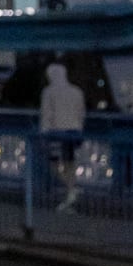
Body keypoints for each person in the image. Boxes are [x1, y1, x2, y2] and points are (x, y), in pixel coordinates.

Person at [38, 58, 86, 211]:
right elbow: (82, 113)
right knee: (70, 163)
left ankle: (70, 190)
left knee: (54, 164)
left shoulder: (48, 91)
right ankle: (71, 192)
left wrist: (43, 133)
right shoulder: (76, 91)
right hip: (75, 132)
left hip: (56, 133)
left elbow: (46, 114)